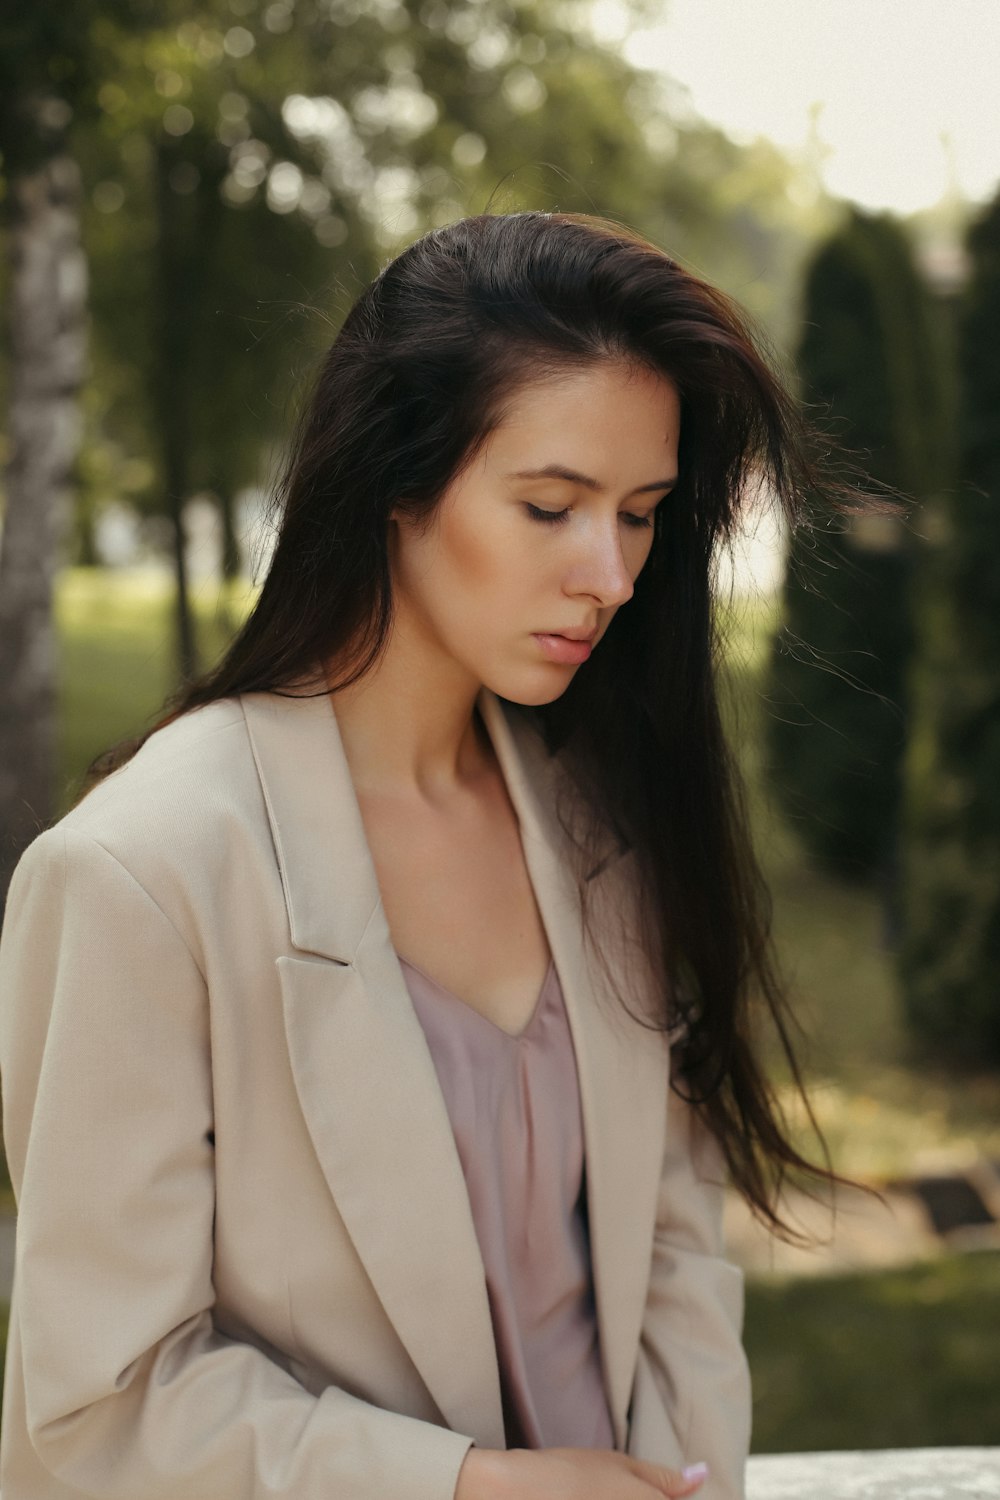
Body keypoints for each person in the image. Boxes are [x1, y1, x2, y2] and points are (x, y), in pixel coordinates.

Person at [0, 210, 853, 1500]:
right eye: (551, 506)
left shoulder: (602, 823)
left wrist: (685, 1480)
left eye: (640, 515)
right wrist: (467, 1487)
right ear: (396, 480)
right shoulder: (142, 876)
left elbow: (675, 1237)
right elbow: (101, 1405)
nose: (611, 575)